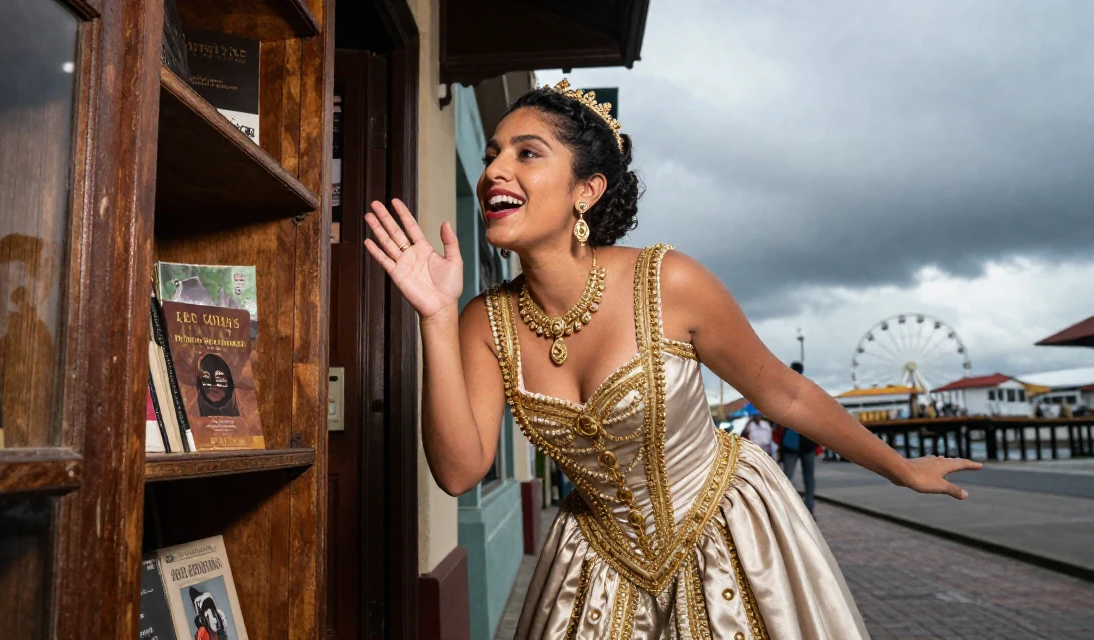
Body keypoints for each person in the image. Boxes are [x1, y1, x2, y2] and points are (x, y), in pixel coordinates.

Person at [363, 79, 979, 639]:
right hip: (595, 565)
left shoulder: (669, 282)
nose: (495, 169)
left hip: (732, 534)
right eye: (491, 153)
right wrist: (438, 319)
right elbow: (459, 473)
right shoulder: (481, 321)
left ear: (587, 190)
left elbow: (784, 396)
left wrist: (899, 469)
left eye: (526, 153)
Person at [774, 362, 821, 516]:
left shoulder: (783, 391)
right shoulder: (810, 391)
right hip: (807, 441)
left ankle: (787, 512)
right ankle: (809, 511)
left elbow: (777, 417)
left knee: (787, 478)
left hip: (791, 441)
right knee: (809, 479)